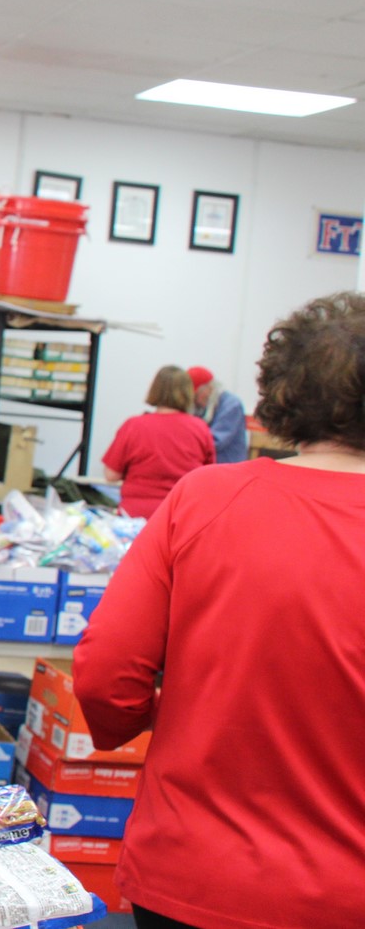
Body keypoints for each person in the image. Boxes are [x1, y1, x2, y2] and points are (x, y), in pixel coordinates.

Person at [74, 293, 365, 929]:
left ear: (280, 393)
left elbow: (106, 674)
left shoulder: (206, 501)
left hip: (191, 873)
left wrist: (182, 718)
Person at [101, 366, 215, 519]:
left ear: (154, 389)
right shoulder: (200, 429)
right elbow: (208, 478)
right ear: (189, 392)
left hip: (136, 518)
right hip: (182, 516)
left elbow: (111, 475)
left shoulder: (134, 426)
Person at [186, 365, 249, 463]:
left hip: (228, 467)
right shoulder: (201, 406)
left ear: (209, 388)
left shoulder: (231, 405)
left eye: (196, 395)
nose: (195, 400)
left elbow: (215, 442)